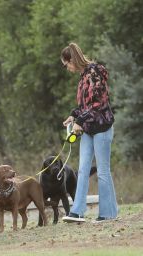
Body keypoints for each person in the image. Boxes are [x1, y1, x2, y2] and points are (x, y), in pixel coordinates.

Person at [61, 42, 118, 223]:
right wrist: (73, 116)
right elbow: (85, 105)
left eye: (66, 64)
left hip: (102, 128)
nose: (66, 68)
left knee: (102, 171)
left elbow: (98, 104)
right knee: (83, 169)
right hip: (88, 129)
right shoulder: (83, 76)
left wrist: (80, 121)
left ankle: (108, 213)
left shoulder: (94, 72)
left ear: (72, 60)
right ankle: (77, 212)